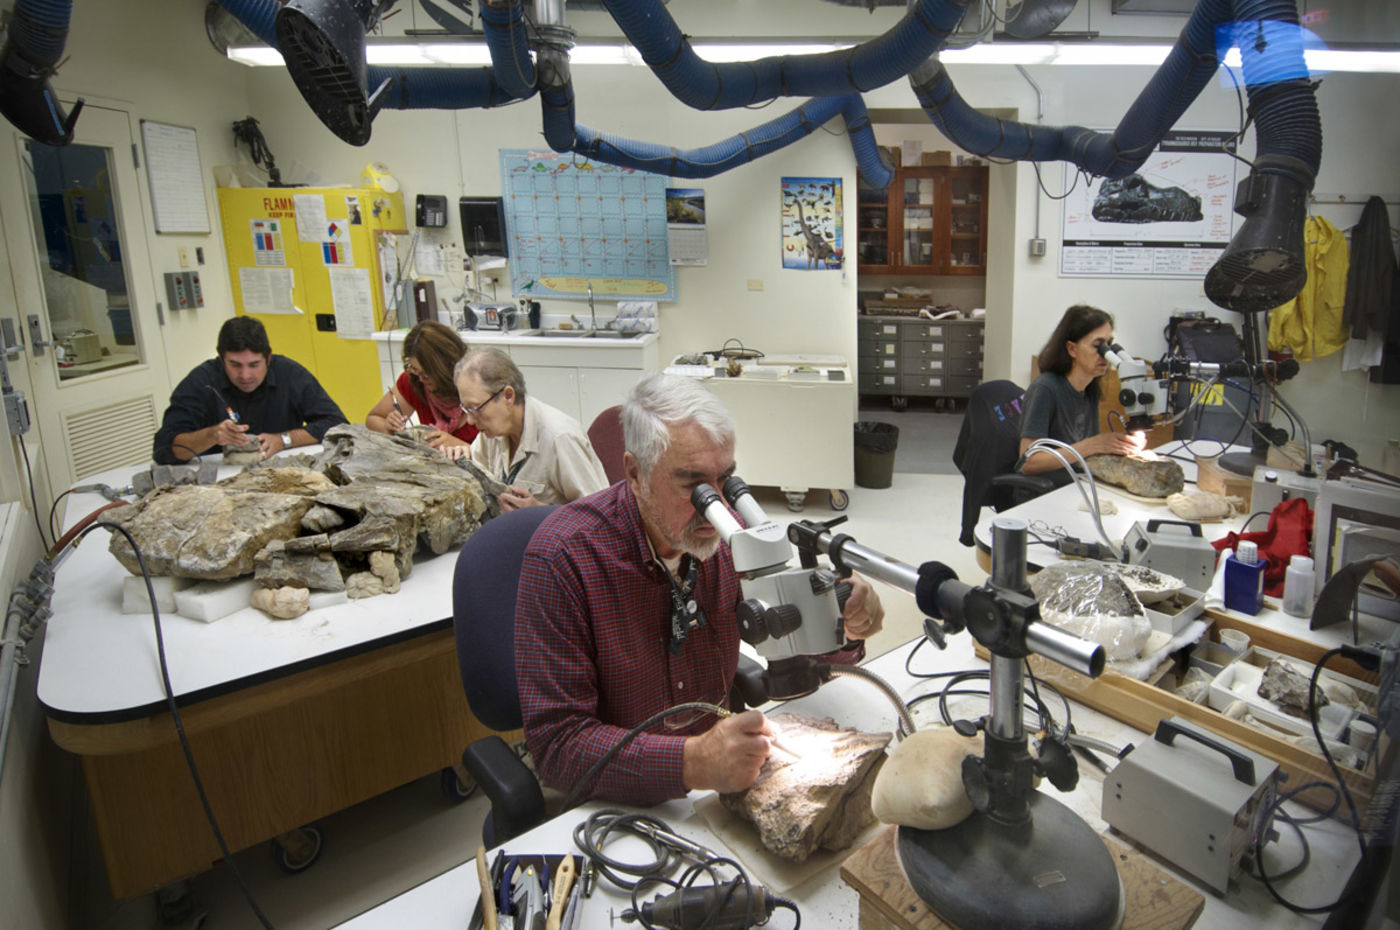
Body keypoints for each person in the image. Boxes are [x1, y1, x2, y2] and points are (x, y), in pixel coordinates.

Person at [514, 373, 885, 807]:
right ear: (635, 473)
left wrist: (845, 624)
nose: (717, 508)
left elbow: (797, 644)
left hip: (721, 778)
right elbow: (557, 747)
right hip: (618, 799)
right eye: (693, 485)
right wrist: (690, 762)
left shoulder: (731, 537)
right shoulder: (563, 559)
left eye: (725, 480)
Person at [152, 316, 346, 464]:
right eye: (235, 365)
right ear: (221, 360)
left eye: (254, 365)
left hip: (279, 474)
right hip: (219, 482)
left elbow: (337, 425)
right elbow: (164, 449)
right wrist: (211, 436)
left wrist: (283, 440)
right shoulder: (201, 382)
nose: (245, 376)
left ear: (268, 359)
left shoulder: (289, 373)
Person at [448, 347, 608, 511]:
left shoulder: (560, 438)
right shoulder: (491, 433)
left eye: (475, 408)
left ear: (508, 396)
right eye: (466, 409)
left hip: (550, 534)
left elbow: (600, 515)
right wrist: (461, 459)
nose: (470, 420)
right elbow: (477, 477)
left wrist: (540, 512)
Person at [1018, 304, 1145, 475]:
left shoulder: (1090, 388)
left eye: (1109, 345)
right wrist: (1093, 445)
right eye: (1098, 346)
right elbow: (1028, 462)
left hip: (1078, 482)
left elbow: (1086, 453)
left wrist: (1120, 445)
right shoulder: (1046, 389)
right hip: (1047, 492)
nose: (1105, 354)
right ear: (1072, 349)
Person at [365, 320, 477, 452]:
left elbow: (501, 457)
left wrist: (460, 445)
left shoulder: (479, 385)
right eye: (414, 370)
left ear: (446, 369)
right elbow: (373, 419)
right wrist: (388, 427)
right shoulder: (415, 381)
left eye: (426, 374)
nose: (421, 379)